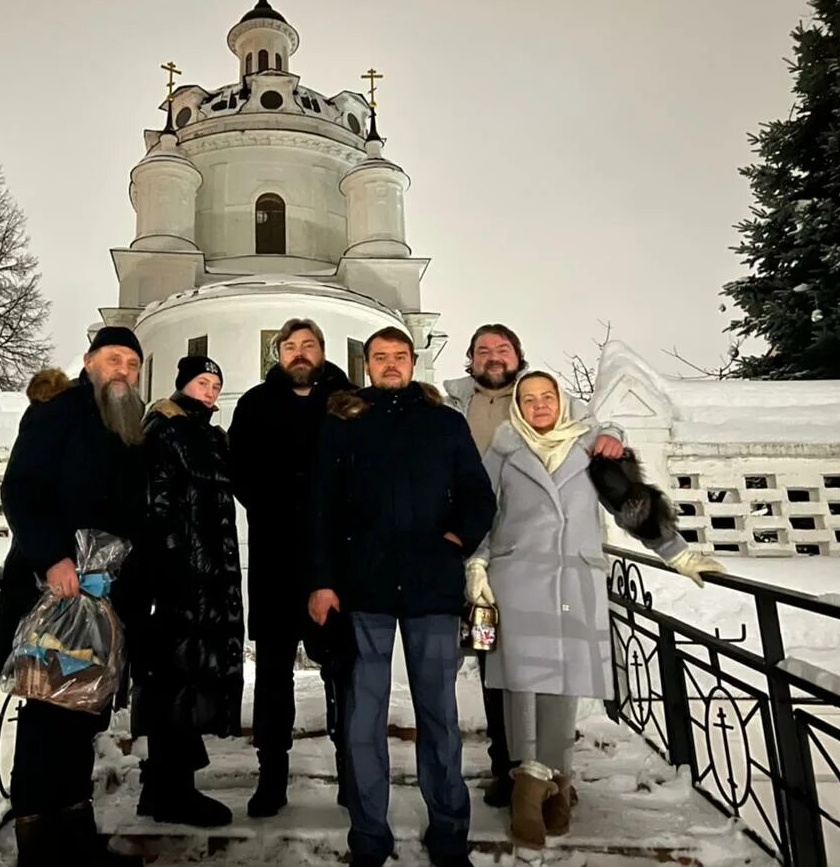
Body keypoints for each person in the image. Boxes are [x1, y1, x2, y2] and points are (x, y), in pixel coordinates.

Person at [466, 370, 724, 849]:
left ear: (562, 402)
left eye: (547, 397)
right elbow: (484, 514)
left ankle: (558, 782)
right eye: (528, 398)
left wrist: (678, 552)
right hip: (517, 579)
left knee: (563, 684)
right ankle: (526, 788)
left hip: (574, 580)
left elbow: (630, 505)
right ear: (517, 406)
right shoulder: (502, 449)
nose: (539, 405)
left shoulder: (591, 447)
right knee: (521, 684)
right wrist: (476, 566)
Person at [309, 327, 497, 867]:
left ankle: (448, 831)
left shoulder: (443, 423)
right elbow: (320, 507)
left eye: (400, 357)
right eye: (380, 357)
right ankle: (369, 834)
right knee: (363, 717)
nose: (390, 365)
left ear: (414, 362)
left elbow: (478, 494)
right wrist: (322, 581)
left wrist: (457, 538)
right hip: (361, 588)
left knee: (438, 713)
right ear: (366, 364)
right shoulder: (343, 425)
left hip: (430, 587)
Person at [442, 323, 625, 807]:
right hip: (477, 555)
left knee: (547, 666)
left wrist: (615, 435)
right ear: (471, 360)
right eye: (483, 350)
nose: (493, 356)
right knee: (491, 659)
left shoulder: (544, 397)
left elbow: (600, 430)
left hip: (536, 565)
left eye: (502, 349)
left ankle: (545, 770)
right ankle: (510, 765)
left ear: (518, 356)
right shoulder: (456, 405)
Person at [0, 327, 147, 867]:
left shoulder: (127, 427)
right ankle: (40, 846)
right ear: (89, 362)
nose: (122, 369)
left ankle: (77, 838)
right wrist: (53, 557)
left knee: (83, 719)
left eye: (131, 362)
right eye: (113, 359)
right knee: (47, 718)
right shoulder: (58, 411)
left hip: (102, 602)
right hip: (54, 595)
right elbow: (21, 490)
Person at [227, 318, 356, 816]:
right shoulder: (256, 404)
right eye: (289, 347)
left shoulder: (347, 402)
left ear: (322, 351)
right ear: (277, 355)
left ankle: (351, 768)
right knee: (274, 672)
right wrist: (272, 505)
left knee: (341, 669)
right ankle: (272, 774)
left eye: (308, 345)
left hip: (335, 558)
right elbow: (239, 468)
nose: (299, 354)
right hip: (277, 556)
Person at [130, 355, 245, 829]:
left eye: (216, 384)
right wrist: (173, 567)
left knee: (189, 678)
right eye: (202, 382)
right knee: (174, 679)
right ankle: (171, 789)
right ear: (182, 385)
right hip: (181, 579)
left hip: (209, 577)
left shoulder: (210, 436)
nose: (210, 391)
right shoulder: (166, 430)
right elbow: (157, 503)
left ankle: (165, 785)